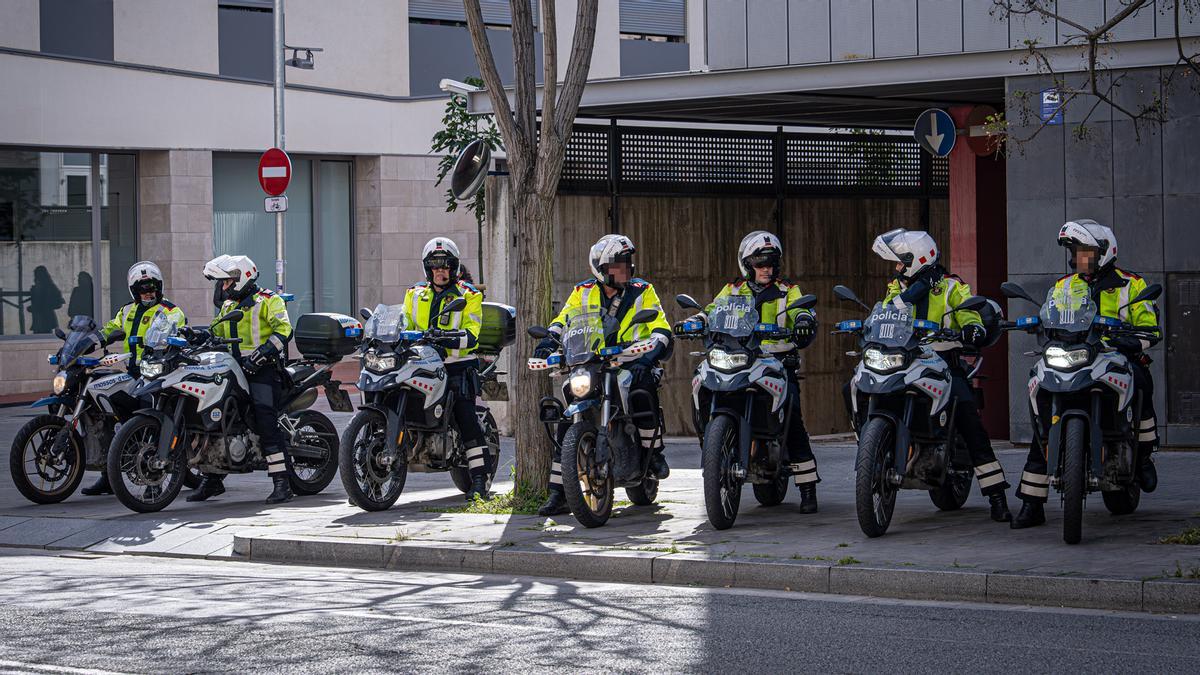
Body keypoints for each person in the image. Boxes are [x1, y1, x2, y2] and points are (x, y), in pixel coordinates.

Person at [1012, 219, 1161, 529]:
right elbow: (1049, 316)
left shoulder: (1132, 285)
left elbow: (1151, 327)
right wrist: (1035, 323)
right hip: (1074, 355)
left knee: (1142, 379)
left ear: (1104, 252)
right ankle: (1031, 503)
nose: (1078, 257)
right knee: (1042, 399)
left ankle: (1144, 455)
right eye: (1075, 252)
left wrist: (1133, 339)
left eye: (1085, 252)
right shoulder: (1065, 286)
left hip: (1114, 356)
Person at [866, 228, 1012, 523]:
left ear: (917, 259)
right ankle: (872, 450)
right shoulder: (898, 287)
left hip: (943, 361)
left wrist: (973, 328)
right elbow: (888, 311)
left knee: (969, 418)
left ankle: (997, 495)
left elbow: (968, 311)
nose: (896, 268)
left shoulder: (951, 286)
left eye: (900, 262)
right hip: (906, 358)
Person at [676, 231, 821, 513]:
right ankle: (716, 448)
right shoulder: (732, 289)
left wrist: (804, 320)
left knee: (791, 416)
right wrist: (694, 321)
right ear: (747, 264)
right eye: (760, 263)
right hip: (737, 357)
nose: (767, 269)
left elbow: (803, 312)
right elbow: (711, 311)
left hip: (775, 361)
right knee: (705, 385)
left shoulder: (787, 290)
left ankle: (807, 487)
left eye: (771, 263)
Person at [535, 234, 673, 517]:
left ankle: (654, 453)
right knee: (566, 419)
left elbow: (659, 323)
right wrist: (550, 339)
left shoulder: (642, 290)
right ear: (601, 268)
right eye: (617, 265)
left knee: (642, 393)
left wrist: (653, 348)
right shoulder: (582, 291)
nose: (625, 269)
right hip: (591, 361)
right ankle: (559, 493)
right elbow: (565, 319)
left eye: (627, 263)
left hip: (631, 359)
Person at [191, 254, 295, 505]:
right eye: (222, 283)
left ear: (241, 278)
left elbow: (284, 331)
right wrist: (193, 335)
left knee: (264, 417)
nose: (223, 287)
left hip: (263, 369)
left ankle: (281, 481)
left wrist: (260, 355)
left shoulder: (269, 301)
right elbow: (215, 331)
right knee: (218, 417)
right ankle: (213, 478)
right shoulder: (228, 307)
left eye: (227, 282)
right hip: (234, 369)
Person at [82, 261, 186, 496]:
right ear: (134, 291)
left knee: (149, 416)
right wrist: (89, 342)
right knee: (104, 409)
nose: (148, 293)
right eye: (142, 289)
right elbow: (110, 329)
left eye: (151, 288)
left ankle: (155, 480)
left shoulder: (171, 311)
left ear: (159, 287)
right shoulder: (126, 311)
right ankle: (108, 475)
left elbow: (175, 335)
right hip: (131, 375)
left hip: (158, 375)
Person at [404, 237, 491, 501]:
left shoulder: (469, 295)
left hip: (456, 365)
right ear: (427, 269)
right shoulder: (414, 294)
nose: (439, 271)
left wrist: (446, 341)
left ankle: (479, 480)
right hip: (421, 364)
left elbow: (472, 335)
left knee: (465, 416)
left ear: (454, 267)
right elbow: (403, 324)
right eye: (434, 266)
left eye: (445, 266)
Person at [28, 265, 64, 334]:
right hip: (39, 318)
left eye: (37, 275)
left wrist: (35, 307)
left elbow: (44, 302)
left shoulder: (48, 287)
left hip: (45, 317)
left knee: (44, 335)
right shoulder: (41, 287)